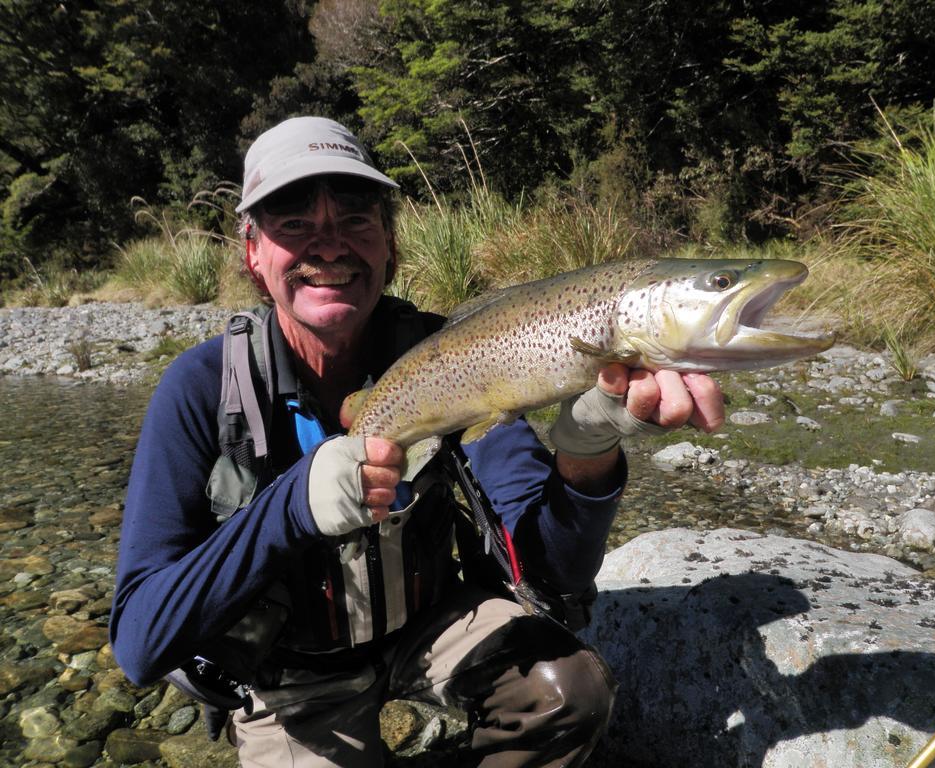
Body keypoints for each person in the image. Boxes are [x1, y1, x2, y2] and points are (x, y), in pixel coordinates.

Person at [110, 116, 725, 768]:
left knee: (567, 690)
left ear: (389, 246)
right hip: (291, 676)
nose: (329, 243)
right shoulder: (203, 387)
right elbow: (141, 642)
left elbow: (551, 576)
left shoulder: (458, 357)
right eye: (292, 221)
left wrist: (587, 446)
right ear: (252, 254)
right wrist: (288, 508)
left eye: (355, 216)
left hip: (429, 629)